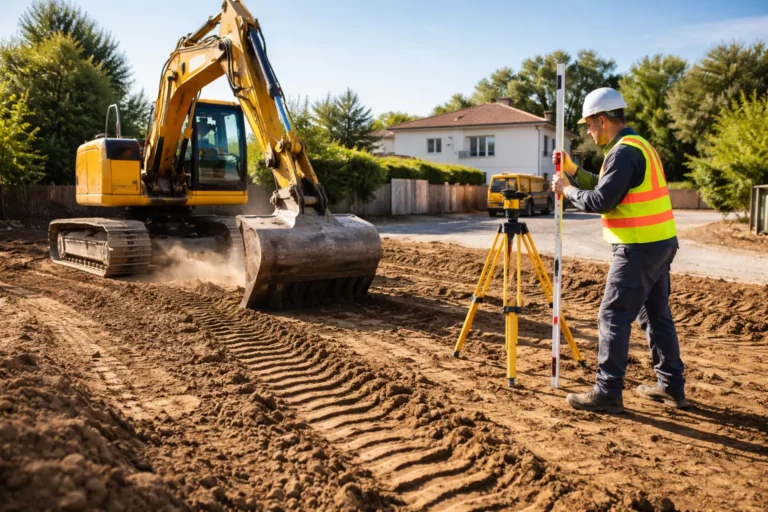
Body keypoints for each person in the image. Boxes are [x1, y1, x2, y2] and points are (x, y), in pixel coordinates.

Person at [551, 87, 688, 413]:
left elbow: (601, 201)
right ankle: (671, 386)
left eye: (589, 124)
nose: (587, 130)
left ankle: (608, 391)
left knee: (612, 316)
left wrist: (566, 190)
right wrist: (572, 170)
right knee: (655, 315)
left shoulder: (623, 153)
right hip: (659, 244)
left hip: (639, 248)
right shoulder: (637, 146)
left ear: (602, 119)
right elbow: (606, 188)